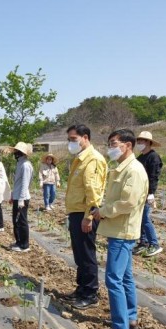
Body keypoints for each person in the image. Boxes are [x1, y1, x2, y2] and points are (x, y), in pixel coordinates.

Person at [91, 129, 148, 329]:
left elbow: (128, 203)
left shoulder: (133, 170)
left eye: (114, 144)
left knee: (113, 279)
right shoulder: (125, 168)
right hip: (120, 230)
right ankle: (130, 318)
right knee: (124, 277)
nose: (111, 148)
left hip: (123, 232)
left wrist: (102, 212)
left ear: (128, 145)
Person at [63, 124, 108, 310]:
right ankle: (81, 289)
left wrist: (89, 216)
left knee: (87, 254)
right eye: (69, 139)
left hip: (84, 214)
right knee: (79, 253)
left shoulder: (93, 160)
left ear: (85, 137)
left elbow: (93, 190)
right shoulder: (81, 159)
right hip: (76, 212)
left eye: (73, 139)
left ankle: (90, 294)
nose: (71, 143)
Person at [133, 131, 163, 257]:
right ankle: (143, 242)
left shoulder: (153, 157)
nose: (140, 143)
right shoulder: (139, 158)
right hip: (138, 193)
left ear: (149, 143)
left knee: (145, 218)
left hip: (147, 193)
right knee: (140, 218)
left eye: (143, 141)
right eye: (138, 141)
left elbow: (153, 177)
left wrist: (151, 194)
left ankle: (154, 244)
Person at [9, 142, 33, 252]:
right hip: (17, 196)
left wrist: (21, 199)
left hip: (22, 198)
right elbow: (17, 182)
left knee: (22, 221)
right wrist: (13, 195)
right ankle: (18, 242)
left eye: (17, 152)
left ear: (22, 153)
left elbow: (25, 183)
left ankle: (24, 245)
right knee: (16, 221)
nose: (15, 153)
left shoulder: (26, 165)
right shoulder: (20, 163)